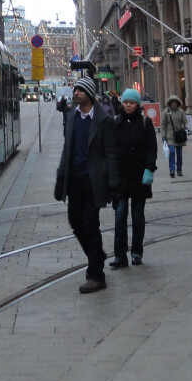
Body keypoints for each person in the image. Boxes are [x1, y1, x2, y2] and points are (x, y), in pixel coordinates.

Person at [53, 76, 120, 293]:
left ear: (89, 94)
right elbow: (67, 148)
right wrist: (60, 176)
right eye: (76, 90)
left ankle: (96, 274)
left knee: (90, 223)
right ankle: (97, 254)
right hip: (74, 179)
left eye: (80, 90)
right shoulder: (72, 116)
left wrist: (113, 184)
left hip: (94, 179)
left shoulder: (104, 120)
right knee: (75, 221)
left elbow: (111, 152)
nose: (76, 93)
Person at [110, 88, 157, 268]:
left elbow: (151, 148)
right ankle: (120, 256)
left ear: (137, 104)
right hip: (121, 179)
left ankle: (137, 252)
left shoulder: (146, 123)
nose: (128, 105)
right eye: (125, 102)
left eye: (131, 102)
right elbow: (111, 150)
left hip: (139, 178)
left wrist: (149, 169)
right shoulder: (115, 123)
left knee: (137, 216)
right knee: (120, 215)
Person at [162, 95, 188, 178]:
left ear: (177, 103)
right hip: (170, 136)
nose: (173, 104)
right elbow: (163, 124)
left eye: (175, 102)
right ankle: (172, 170)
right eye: (172, 102)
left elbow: (185, 121)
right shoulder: (166, 112)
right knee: (172, 152)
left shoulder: (181, 112)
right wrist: (163, 136)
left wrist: (187, 128)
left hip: (179, 135)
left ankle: (179, 170)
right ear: (170, 103)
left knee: (179, 154)